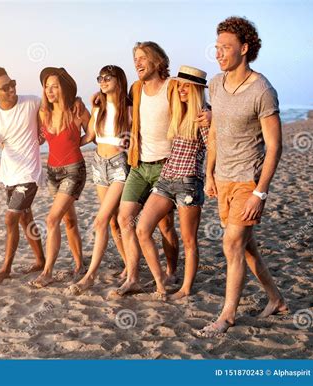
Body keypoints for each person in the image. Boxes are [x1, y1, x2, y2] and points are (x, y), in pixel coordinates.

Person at [197, 17, 288, 337]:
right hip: (222, 179)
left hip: (248, 181)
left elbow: (275, 146)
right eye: (217, 47)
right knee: (247, 248)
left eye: (226, 48)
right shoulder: (216, 85)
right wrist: (208, 172)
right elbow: (217, 133)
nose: (218, 53)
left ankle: (227, 315)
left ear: (245, 49)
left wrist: (259, 194)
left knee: (231, 243)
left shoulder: (262, 90)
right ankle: (276, 299)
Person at [112, 42, 211, 297]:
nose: (137, 62)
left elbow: (198, 99)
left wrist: (211, 114)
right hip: (139, 163)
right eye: (135, 58)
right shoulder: (136, 88)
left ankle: (171, 272)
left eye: (142, 58)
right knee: (125, 219)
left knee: (166, 227)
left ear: (157, 61)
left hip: (168, 164)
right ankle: (133, 276)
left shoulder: (173, 86)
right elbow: (127, 111)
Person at [136, 65, 209, 300]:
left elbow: (215, 148)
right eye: (180, 85)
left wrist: (212, 178)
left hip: (189, 182)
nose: (182, 90)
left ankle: (186, 288)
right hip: (166, 179)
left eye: (188, 86)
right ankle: (160, 282)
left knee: (189, 240)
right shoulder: (179, 111)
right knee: (142, 228)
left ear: (197, 89)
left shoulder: (204, 114)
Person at [68, 65, 131, 295]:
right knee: (113, 222)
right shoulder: (99, 107)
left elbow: (135, 140)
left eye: (107, 77)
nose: (102, 81)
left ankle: (90, 275)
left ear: (118, 79)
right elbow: (90, 137)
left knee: (100, 220)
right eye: (100, 78)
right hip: (98, 165)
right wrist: (67, 142)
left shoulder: (130, 108)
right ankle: (128, 263)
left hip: (119, 166)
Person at [0, 67, 45, 285]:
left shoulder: (32, 102)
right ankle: (41, 261)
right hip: (9, 173)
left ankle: (6, 268)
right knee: (26, 217)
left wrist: (44, 130)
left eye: (13, 83)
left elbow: (56, 108)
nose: (11, 89)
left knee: (11, 218)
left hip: (30, 173)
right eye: (5, 87)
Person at [30, 67, 90, 288]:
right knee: (69, 220)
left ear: (63, 88)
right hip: (53, 172)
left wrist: (76, 143)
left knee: (51, 219)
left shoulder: (76, 110)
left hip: (74, 170)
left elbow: (92, 132)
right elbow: (39, 139)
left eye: (55, 86)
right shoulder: (43, 113)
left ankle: (47, 272)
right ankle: (79, 265)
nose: (50, 90)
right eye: (46, 86)